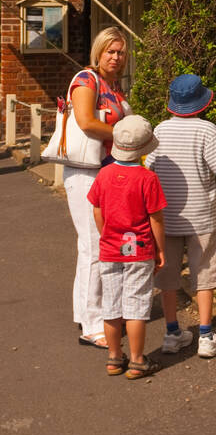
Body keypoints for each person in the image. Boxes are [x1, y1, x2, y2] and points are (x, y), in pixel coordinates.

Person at [145, 74, 216, 358]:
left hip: (166, 217)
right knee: (204, 272)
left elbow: (151, 169)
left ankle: (172, 333)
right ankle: (205, 336)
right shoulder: (207, 131)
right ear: (201, 103)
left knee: (167, 275)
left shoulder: (160, 130)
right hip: (201, 218)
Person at [64, 27, 130, 349]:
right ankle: (92, 325)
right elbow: (86, 122)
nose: (116, 57)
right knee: (94, 247)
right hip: (83, 173)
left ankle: (86, 312)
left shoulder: (113, 86)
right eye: (111, 51)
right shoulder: (86, 80)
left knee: (89, 246)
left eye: (120, 52)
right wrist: (125, 136)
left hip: (102, 173)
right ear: (99, 51)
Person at [87, 115, 167, 380]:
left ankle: (113, 357)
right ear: (144, 149)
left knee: (111, 307)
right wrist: (160, 249)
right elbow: (156, 218)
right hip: (139, 250)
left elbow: (97, 210)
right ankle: (136, 360)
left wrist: (105, 233)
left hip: (110, 249)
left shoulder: (104, 174)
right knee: (136, 307)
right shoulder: (148, 178)